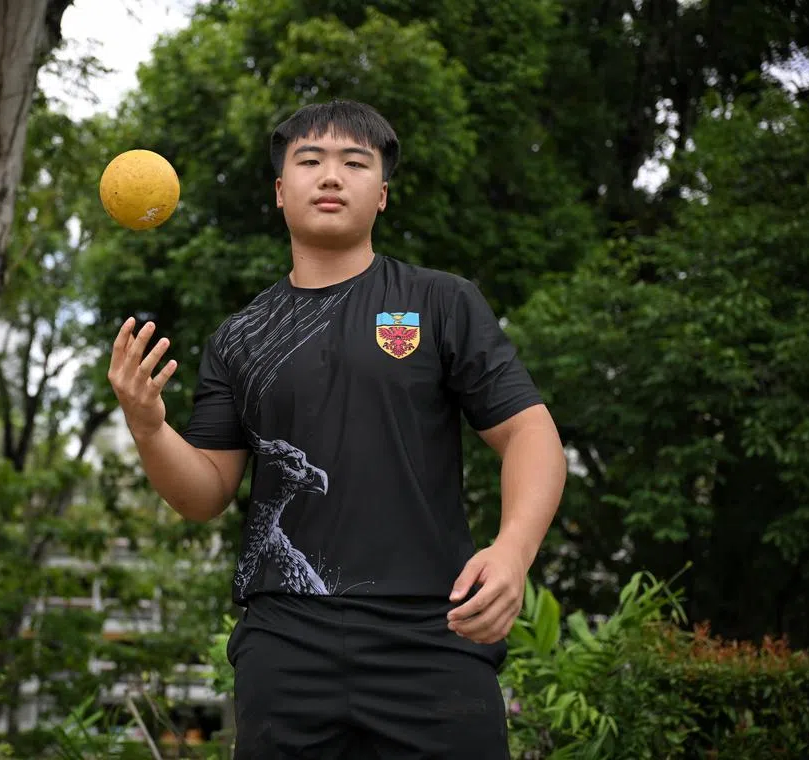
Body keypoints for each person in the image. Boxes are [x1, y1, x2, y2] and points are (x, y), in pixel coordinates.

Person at [106, 100, 566, 759]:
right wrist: (150, 426)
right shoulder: (238, 339)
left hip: (434, 633)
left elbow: (532, 436)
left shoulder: (441, 304)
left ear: (380, 195)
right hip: (286, 643)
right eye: (309, 160)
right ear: (278, 192)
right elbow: (204, 493)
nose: (330, 175)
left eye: (354, 162)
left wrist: (514, 551)